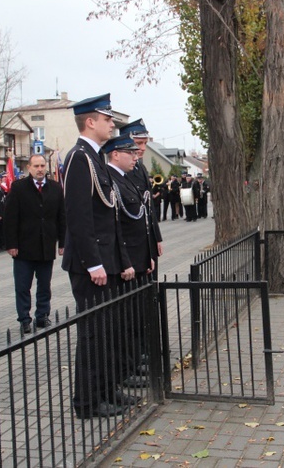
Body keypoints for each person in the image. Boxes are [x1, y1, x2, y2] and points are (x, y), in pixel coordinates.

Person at [61, 93, 136, 419]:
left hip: (105, 260)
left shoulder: (93, 159)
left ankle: (105, 391)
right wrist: (94, 262)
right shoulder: (79, 158)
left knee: (105, 332)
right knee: (93, 334)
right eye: (108, 119)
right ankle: (88, 402)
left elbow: (109, 216)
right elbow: (78, 216)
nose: (112, 124)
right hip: (90, 264)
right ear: (90, 121)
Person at [105, 134, 155, 389]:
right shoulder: (112, 180)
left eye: (137, 152)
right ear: (115, 154)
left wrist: (148, 255)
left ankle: (134, 362)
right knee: (126, 319)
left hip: (137, 257)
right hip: (127, 261)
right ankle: (128, 367)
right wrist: (128, 262)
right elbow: (117, 229)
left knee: (135, 315)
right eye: (130, 153)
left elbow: (143, 218)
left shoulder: (124, 179)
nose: (136, 157)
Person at [3, 154, 66, 334]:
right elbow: (10, 218)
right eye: (36, 166)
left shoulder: (55, 188)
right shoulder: (19, 188)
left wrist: (63, 242)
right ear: (29, 168)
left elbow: (62, 217)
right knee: (23, 286)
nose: (40, 169)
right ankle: (24, 318)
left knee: (44, 285)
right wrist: (11, 244)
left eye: (42, 165)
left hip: (46, 245)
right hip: (23, 247)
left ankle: (42, 315)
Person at [120, 118, 163, 264]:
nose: (143, 148)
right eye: (139, 143)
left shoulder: (141, 168)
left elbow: (149, 206)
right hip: (133, 241)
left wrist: (156, 238)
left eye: (145, 143)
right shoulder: (123, 171)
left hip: (147, 237)